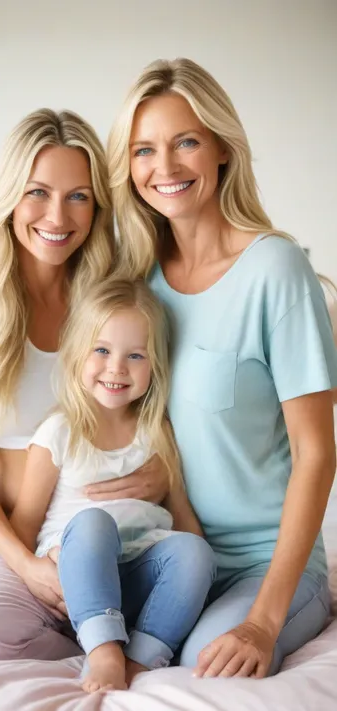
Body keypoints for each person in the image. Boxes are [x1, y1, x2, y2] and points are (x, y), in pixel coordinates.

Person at [107, 57, 337, 678]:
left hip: (264, 562)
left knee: (198, 665)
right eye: (144, 150)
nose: (166, 168)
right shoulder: (137, 281)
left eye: (187, 142)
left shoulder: (276, 270)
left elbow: (317, 454)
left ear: (221, 150)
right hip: (169, 551)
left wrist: (263, 621)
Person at [0, 109, 170, 661]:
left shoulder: (115, 299)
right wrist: (25, 566)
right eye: (38, 192)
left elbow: (157, 410)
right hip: (25, 541)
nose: (57, 216)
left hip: (127, 538)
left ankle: (108, 643)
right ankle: (92, 647)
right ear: (10, 196)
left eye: (79, 196)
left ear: (98, 206)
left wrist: (162, 469)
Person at [9, 278, 216, 692]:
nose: (116, 368)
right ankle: (103, 650)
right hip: (75, 578)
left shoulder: (157, 433)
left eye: (135, 355)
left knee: (194, 549)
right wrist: (36, 571)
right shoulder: (58, 432)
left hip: (139, 581)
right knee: (93, 524)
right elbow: (24, 523)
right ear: (77, 354)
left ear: (155, 365)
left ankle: (140, 658)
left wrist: (200, 572)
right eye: (102, 350)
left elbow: (184, 518)